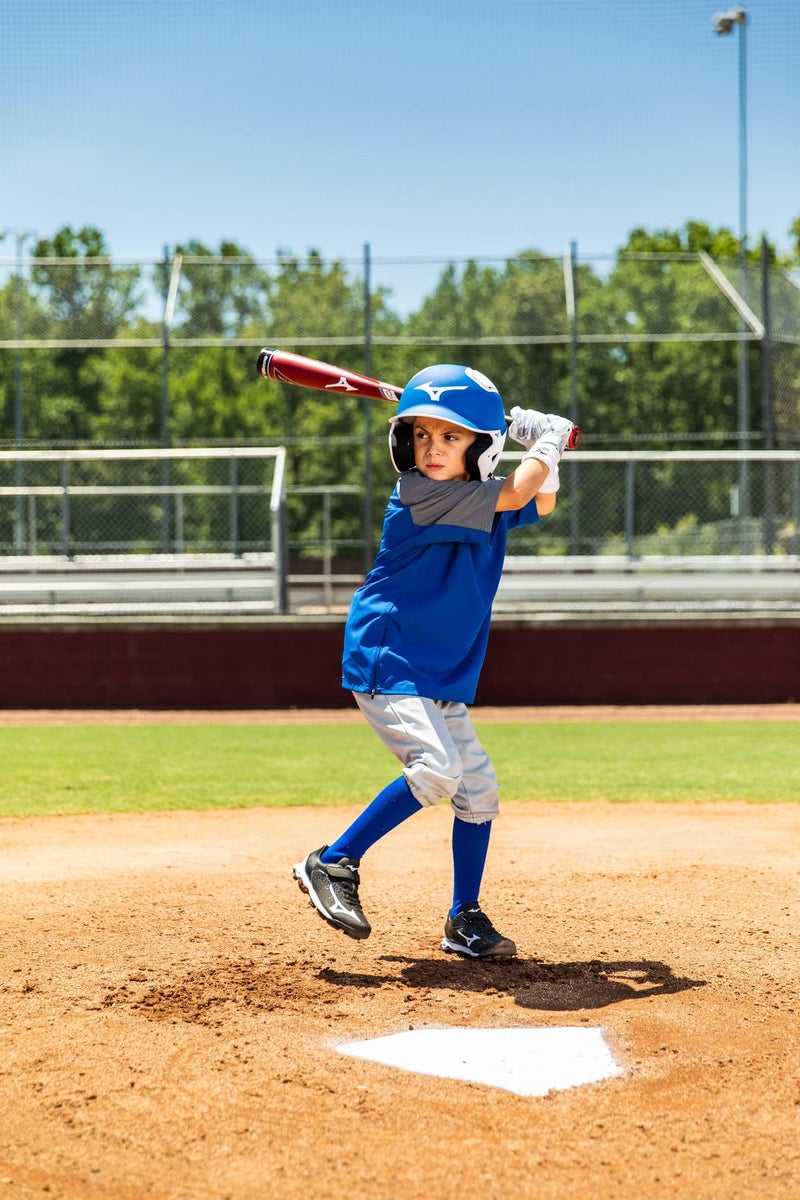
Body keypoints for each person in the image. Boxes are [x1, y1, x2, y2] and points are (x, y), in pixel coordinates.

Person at [292, 363, 574, 960]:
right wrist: (546, 435)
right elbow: (524, 488)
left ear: (483, 445)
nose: (432, 448)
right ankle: (333, 862)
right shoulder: (420, 493)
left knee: (480, 794)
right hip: (391, 657)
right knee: (437, 771)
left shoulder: (480, 499)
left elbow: (541, 500)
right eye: (422, 435)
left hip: (436, 672)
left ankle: (462, 919)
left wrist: (536, 439)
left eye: (450, 437)